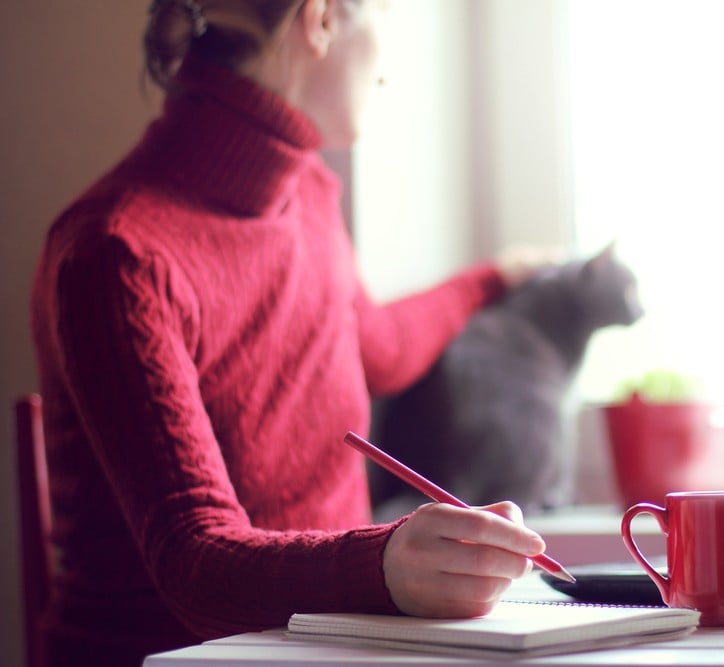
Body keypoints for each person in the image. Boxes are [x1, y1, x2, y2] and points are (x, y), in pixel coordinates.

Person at [29, 1, 552, 665]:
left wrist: (495, 277)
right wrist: (386, 563)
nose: (387, 70)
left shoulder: (305, 190)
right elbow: (193, 561)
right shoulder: (116, 252)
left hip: (322, 648)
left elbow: (377, 350)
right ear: (322, 20)